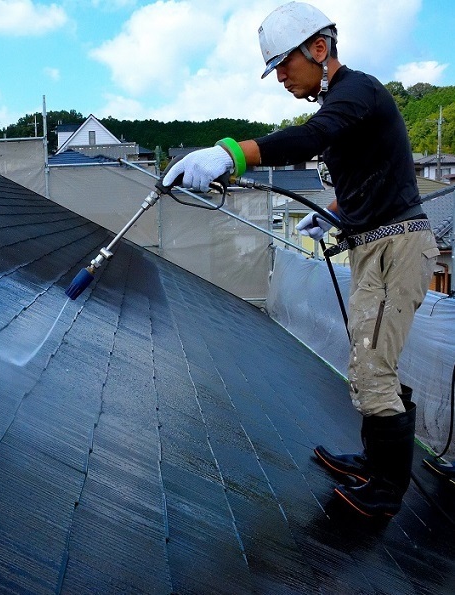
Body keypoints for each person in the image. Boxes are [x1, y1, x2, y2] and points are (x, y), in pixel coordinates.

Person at [163, 1, 439, 518]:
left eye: (284, 64)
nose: (280, 76)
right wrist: (334, 212)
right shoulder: (346, 104)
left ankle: (386, 492)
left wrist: (231, 153)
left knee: (373, 364)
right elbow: (371, 170)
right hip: (374, 245)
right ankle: (375, 460)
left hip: (395, 247)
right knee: (367, 360)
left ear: (319, 48)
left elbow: (309, 139)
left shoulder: (358, 90)